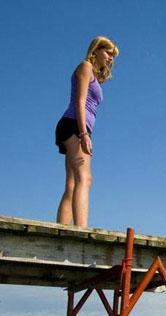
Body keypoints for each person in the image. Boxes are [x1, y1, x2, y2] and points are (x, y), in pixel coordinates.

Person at [55, 36, 118, 228]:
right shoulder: (85, 67)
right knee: (85, 178)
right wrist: (84, 134)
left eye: (112, 56)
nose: (110, 58)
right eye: (108, 52)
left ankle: (63, 230)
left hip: (75, 125)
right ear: (96, 50)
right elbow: (80, 101)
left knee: (72, 183)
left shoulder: (94, 75)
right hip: (75, 125)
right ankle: (81, 230)